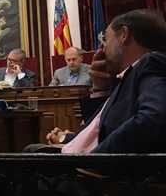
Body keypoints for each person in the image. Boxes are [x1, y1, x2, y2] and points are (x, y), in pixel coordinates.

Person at [46, 9, 166, 153]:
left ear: (124, 35)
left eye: (106, 41)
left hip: (89, 164)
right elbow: (103, 129)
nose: (102, 49)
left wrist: (94, 159)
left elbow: (153, 119)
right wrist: (99, 89)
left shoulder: (151, 65)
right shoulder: (124, 78)